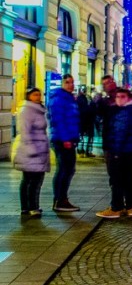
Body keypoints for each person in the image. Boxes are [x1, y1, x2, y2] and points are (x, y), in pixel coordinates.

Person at [97, 88, 132, 219]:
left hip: (123, 151)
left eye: (122, 96)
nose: (119, 99)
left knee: (117, 180)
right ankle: (130, 207)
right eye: (117, 96)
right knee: (129, 180)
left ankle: (116, 208)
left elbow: (120, 132)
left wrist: (116, 152)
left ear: (128, 98)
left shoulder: (125, 112)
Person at [14, 88, 49, 217]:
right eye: (35, 94)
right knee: (33, 180)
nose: (38, 96)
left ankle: (27, 207)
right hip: (32, 152)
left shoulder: (38, 109)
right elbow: (25, 131)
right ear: (29, 96)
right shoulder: (27, 111)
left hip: (38, 149)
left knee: (30, 180)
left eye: (39, 94)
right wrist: (32, 150)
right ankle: (32, 207)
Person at [48, 74, 81, 212]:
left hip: (69, 138)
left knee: (68, 169)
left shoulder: (69, 98)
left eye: (72, 82)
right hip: (62, 140)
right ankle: (60, 200)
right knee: (64, 170)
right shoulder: (59, 99)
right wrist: (65, 138)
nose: (70, 85)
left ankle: (62, 199)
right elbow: (59, 120)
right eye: (67, 82)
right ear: (62, 83)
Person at [77, 89, 96, 157]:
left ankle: (84, 151)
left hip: (86, 121)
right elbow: (83, 110)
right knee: (85, 137)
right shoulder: (81, 99)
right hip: (84, 120)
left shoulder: (86, 99)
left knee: (85, 137)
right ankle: (83, 151)